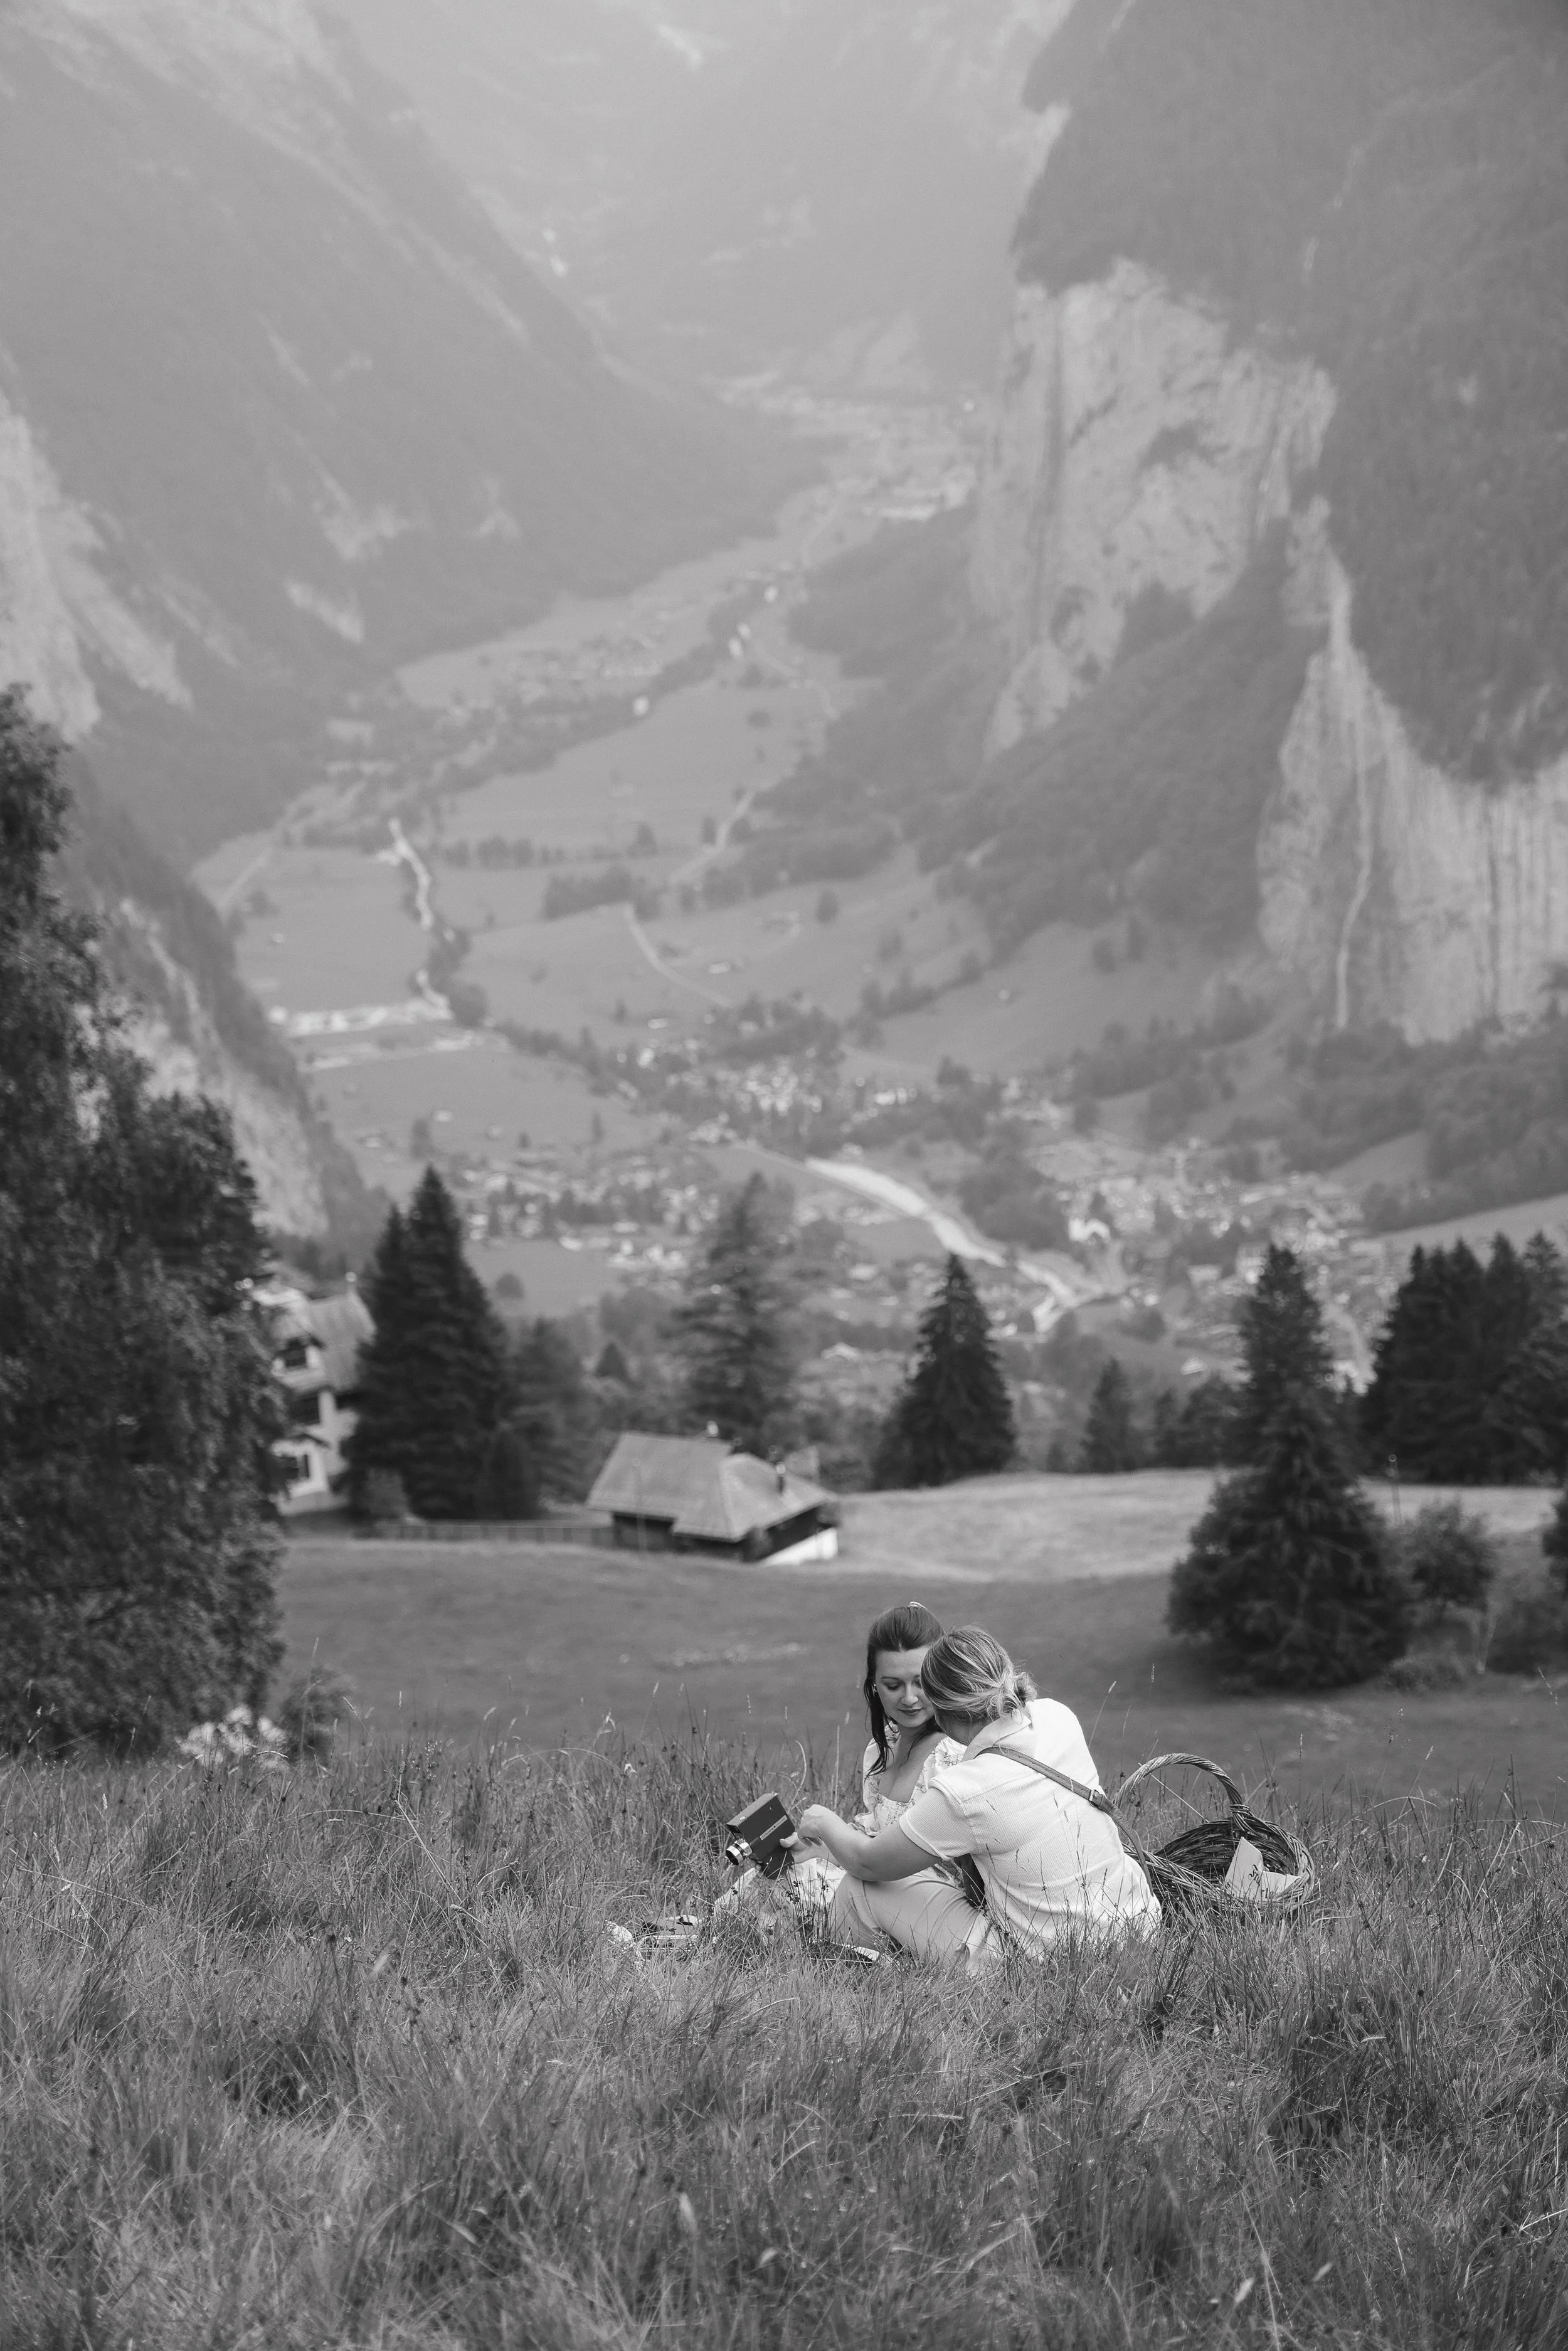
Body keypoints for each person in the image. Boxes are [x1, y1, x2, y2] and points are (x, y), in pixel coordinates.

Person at [797, 1625, 1159, 1965]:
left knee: (861, 1887)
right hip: (1136, 1926)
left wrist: (823, 1823)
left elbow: (869, 1863)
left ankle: (870, 1976)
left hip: (1039, 1963)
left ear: (940, 1708)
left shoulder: (966, 1791)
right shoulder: (1058, 1717)